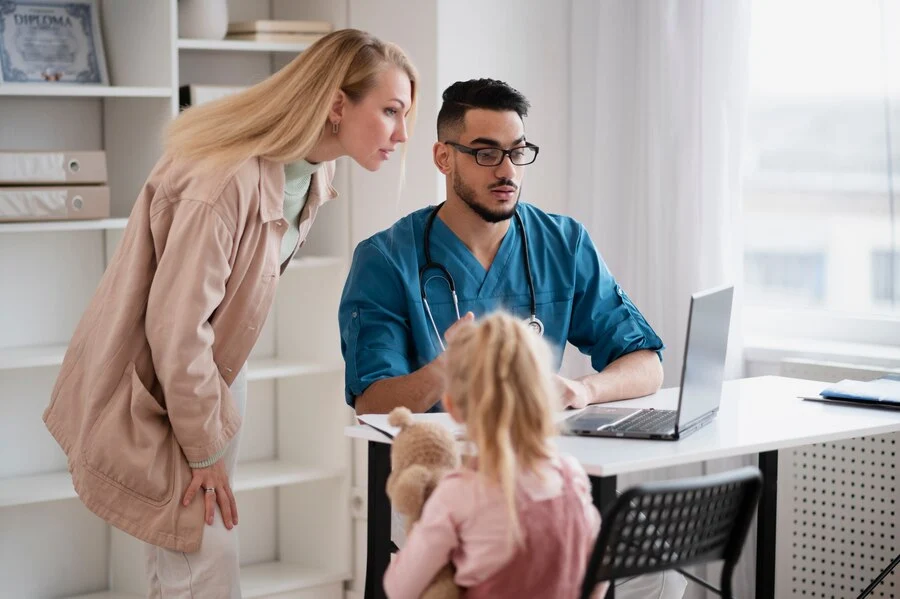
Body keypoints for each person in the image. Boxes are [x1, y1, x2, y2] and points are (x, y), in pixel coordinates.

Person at [43, 29, 417, 598]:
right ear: (338, 104)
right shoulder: (225, 182)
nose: (402, 134)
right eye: (391, 111)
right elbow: (176, 332)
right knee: (203, 563)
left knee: (186, 563)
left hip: (212, 376)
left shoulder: (318, 168)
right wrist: (206, 447)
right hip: (169, 383)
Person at [339, 78, 664, 416]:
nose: (507, 170)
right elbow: (371, 404)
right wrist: (446, 369)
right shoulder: (386, 259)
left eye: (517, 152)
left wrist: (583, 390)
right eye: (487, 154)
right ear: (444, 158)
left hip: (537, 459)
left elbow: (646, 365)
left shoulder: (563, 244)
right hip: (438, 462)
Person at [383, 311, 605, 599]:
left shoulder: (458, 494)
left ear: (452, 405)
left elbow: (399, 589)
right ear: (546, 396)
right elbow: (598, 575)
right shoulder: (572, 478)